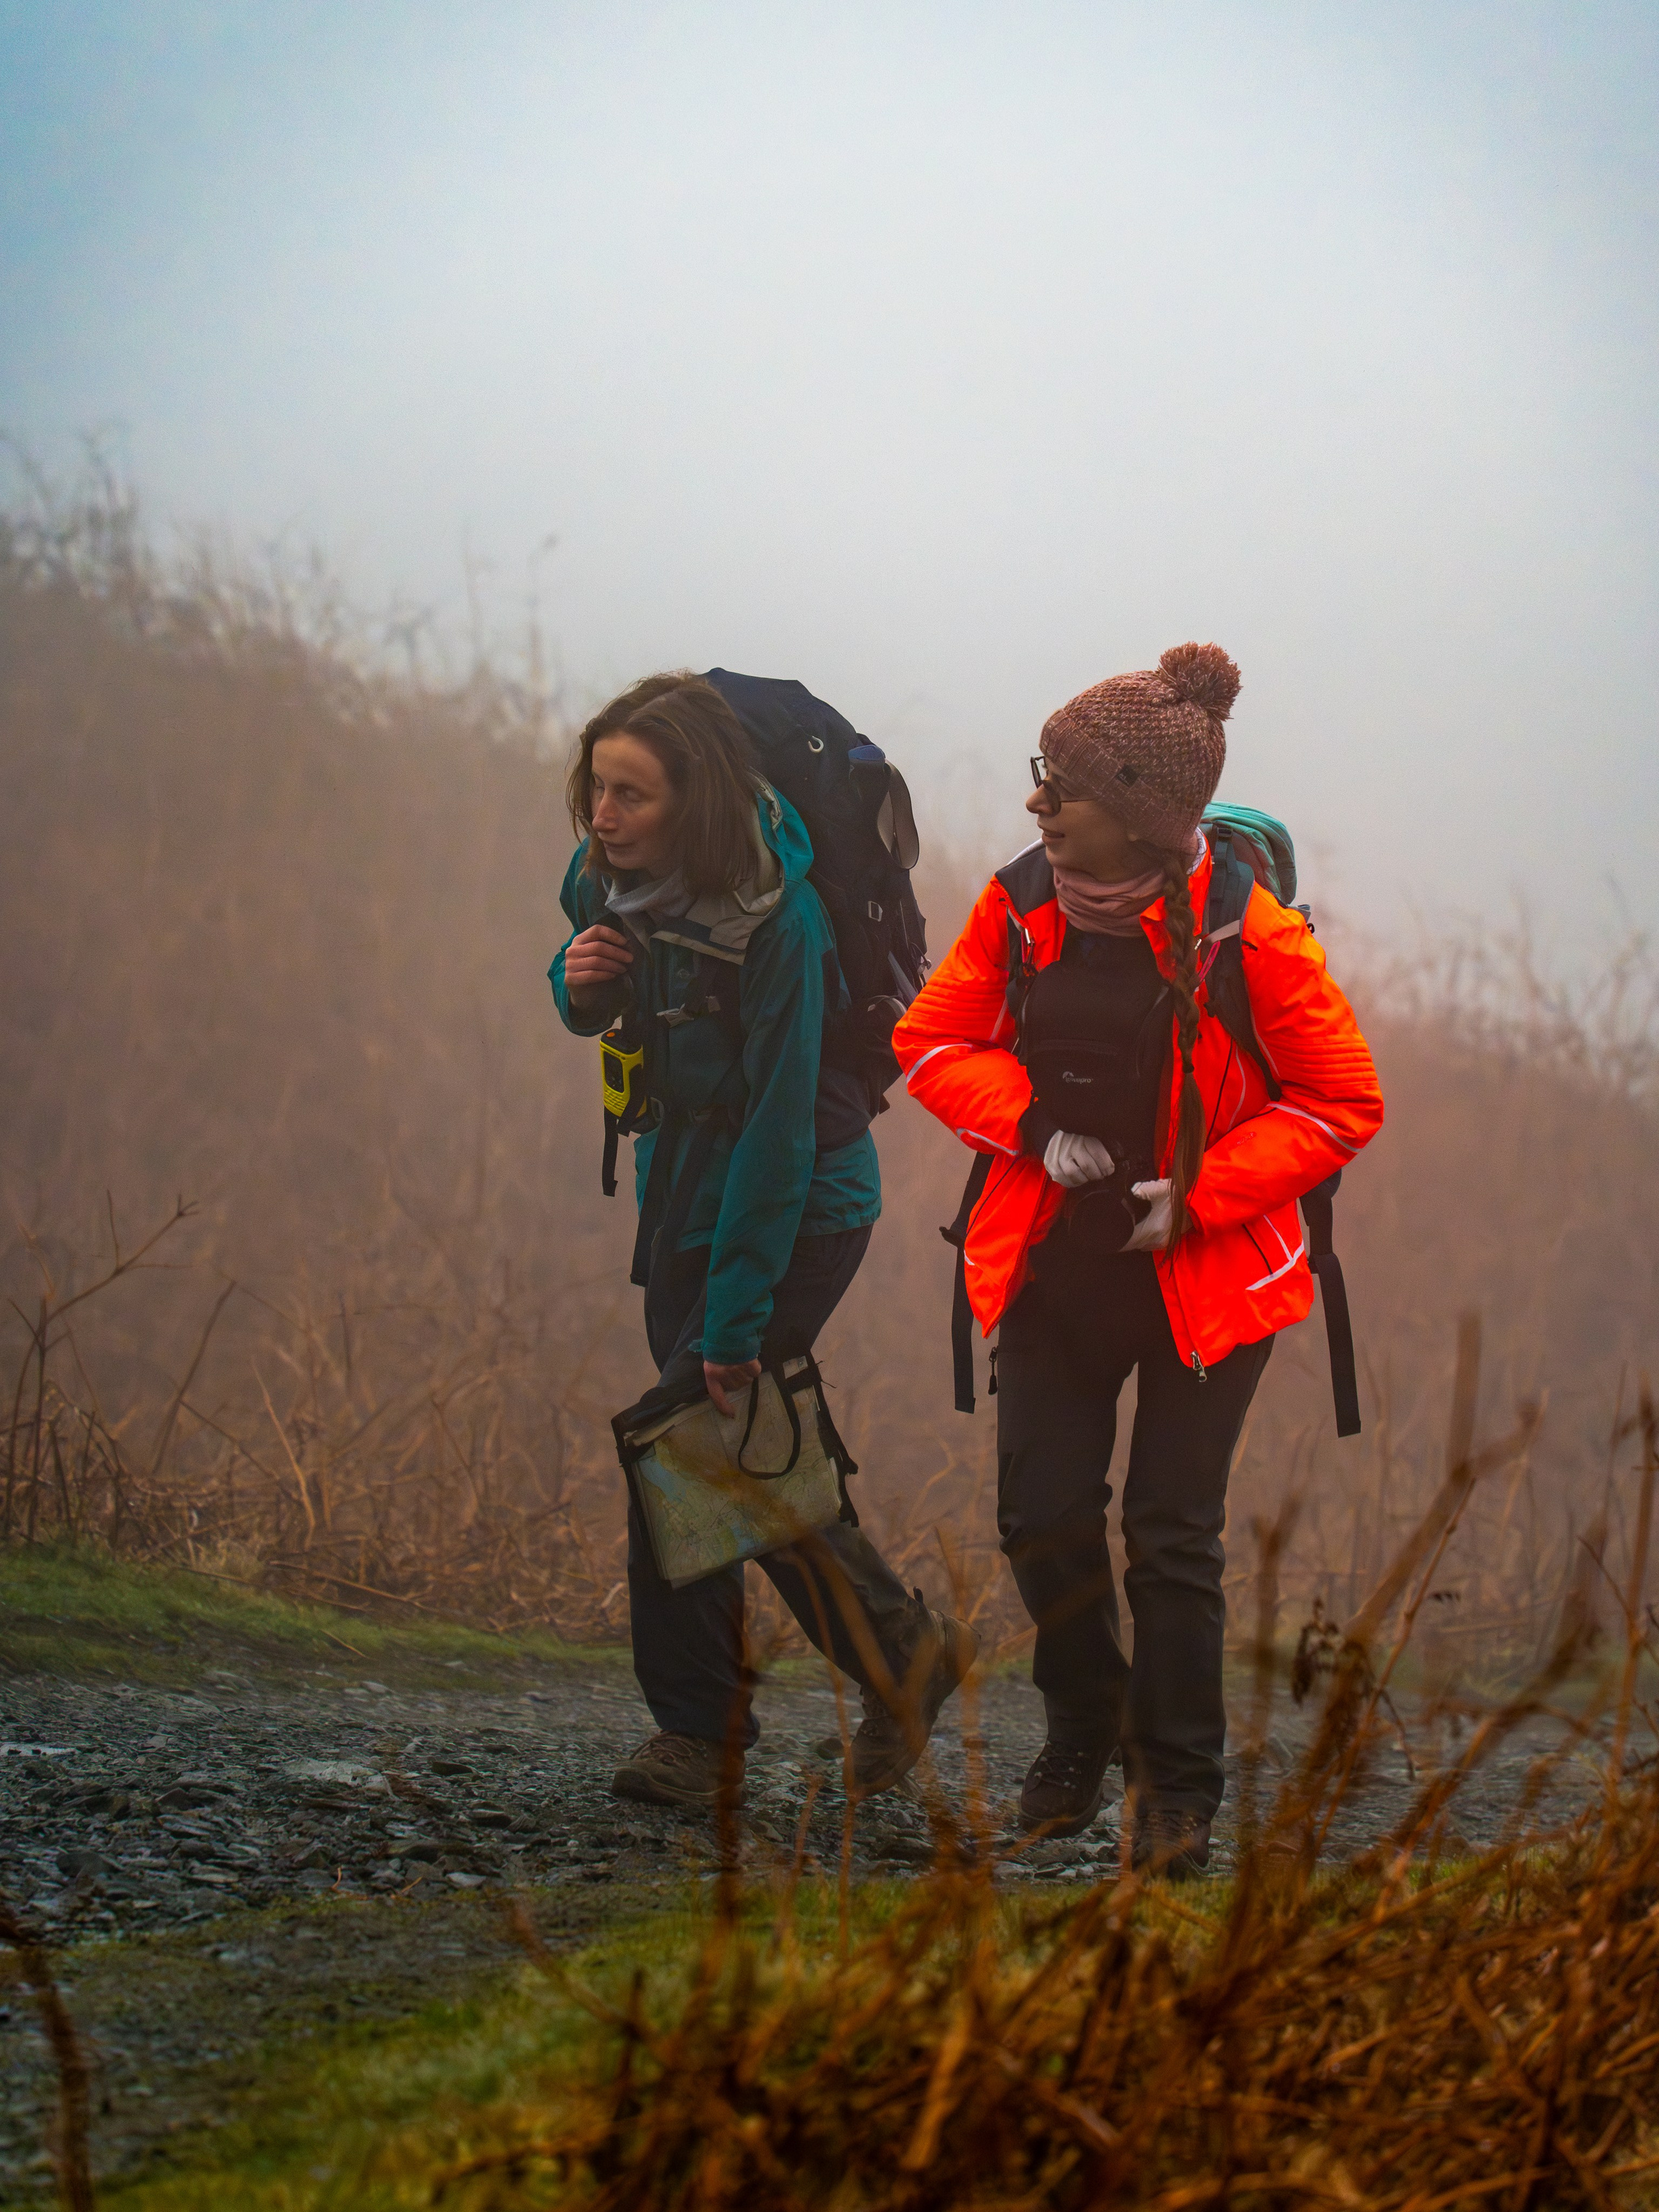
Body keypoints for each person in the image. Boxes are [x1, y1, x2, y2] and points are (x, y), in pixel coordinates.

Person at [892, 643, 1383, 1876]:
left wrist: (1202, 1196)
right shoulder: (1019, 902)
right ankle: (1084, 1720)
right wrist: (1029, 1126)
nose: (1038, 803)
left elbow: (1341, 1102)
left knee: (1170, 1534)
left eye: (1062, 785)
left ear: (1149, 819)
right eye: (1040, 775)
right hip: (1060, 1264)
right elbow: (935, 1036)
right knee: (1040, 1517)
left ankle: (1177, 1794)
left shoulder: (1249, 938)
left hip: (1209, 1276)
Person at [550, 671, 977, 1808]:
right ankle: (903, 1660)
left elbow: (781, 1137)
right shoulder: (609, 875)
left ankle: (700, 1735)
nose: (604, 815)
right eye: (598, 787)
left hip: (799, 1211)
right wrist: (576, 986)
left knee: (678, 1441)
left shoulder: (780, 922)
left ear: (698, 797)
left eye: (632, 795)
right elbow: (590, 968)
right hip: (682, 1201)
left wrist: (736, 1321)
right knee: (737, 1454)